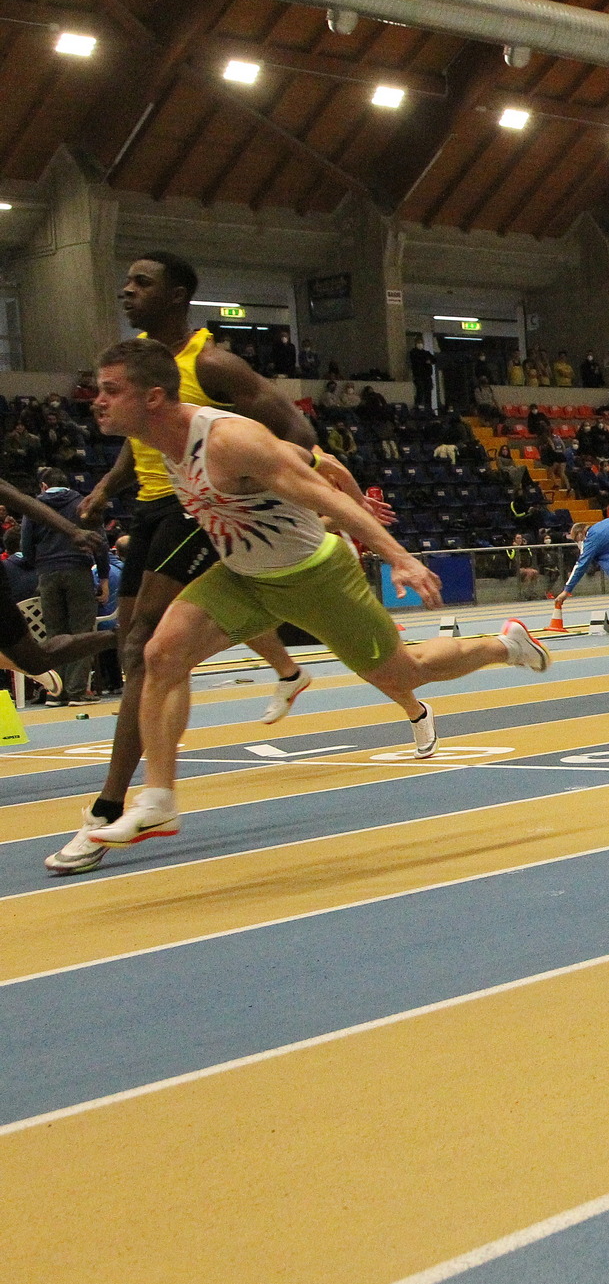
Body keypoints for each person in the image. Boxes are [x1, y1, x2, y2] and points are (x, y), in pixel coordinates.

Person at [82, 339, 552, 850]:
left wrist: (398, 556)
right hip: (243, 576)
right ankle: (158, 801)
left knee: (406, 673)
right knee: (160, 655)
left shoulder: (228, 440)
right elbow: (314, 459)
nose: (97, 401)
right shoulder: (159, 444)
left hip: (313, 576)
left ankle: (505, 646)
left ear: (153, 397)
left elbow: (322, 485)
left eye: (111, 390)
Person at [49, 253, 390, 877]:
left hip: (199, 509)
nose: (126, 291)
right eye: (126, 282)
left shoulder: (211, 363)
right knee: (138, 647)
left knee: (142, 649)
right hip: (154, 508)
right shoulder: (139, 368)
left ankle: (110, 808)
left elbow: (293, 429)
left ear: (179, 294)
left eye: (142, 283)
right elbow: (141, 438)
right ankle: (282, 673)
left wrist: (293, 488)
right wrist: (105, 488)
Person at [0, 475, 119, 702]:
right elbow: (100, 542)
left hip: (47, 573)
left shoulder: (41, 503)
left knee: (40, 653)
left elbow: (25, 513)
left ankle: (117, 638)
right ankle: (75, 689)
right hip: (77, 571)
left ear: (44, 485)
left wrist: (70, 533)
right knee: (75, 630)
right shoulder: (78, 502)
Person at [407, 333, 436, 410]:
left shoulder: (426, 352)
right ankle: (419, 408)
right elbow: (417, 361)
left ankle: (428, 408)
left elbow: (434, 359)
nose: (420, 344)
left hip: (427, 376)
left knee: (428, 392)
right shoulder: (413, 352)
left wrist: (429, 361)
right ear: (415, 343)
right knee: (420, 392)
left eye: (421, 342)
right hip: (418, 376)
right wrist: (425, 361)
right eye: (418, 342)